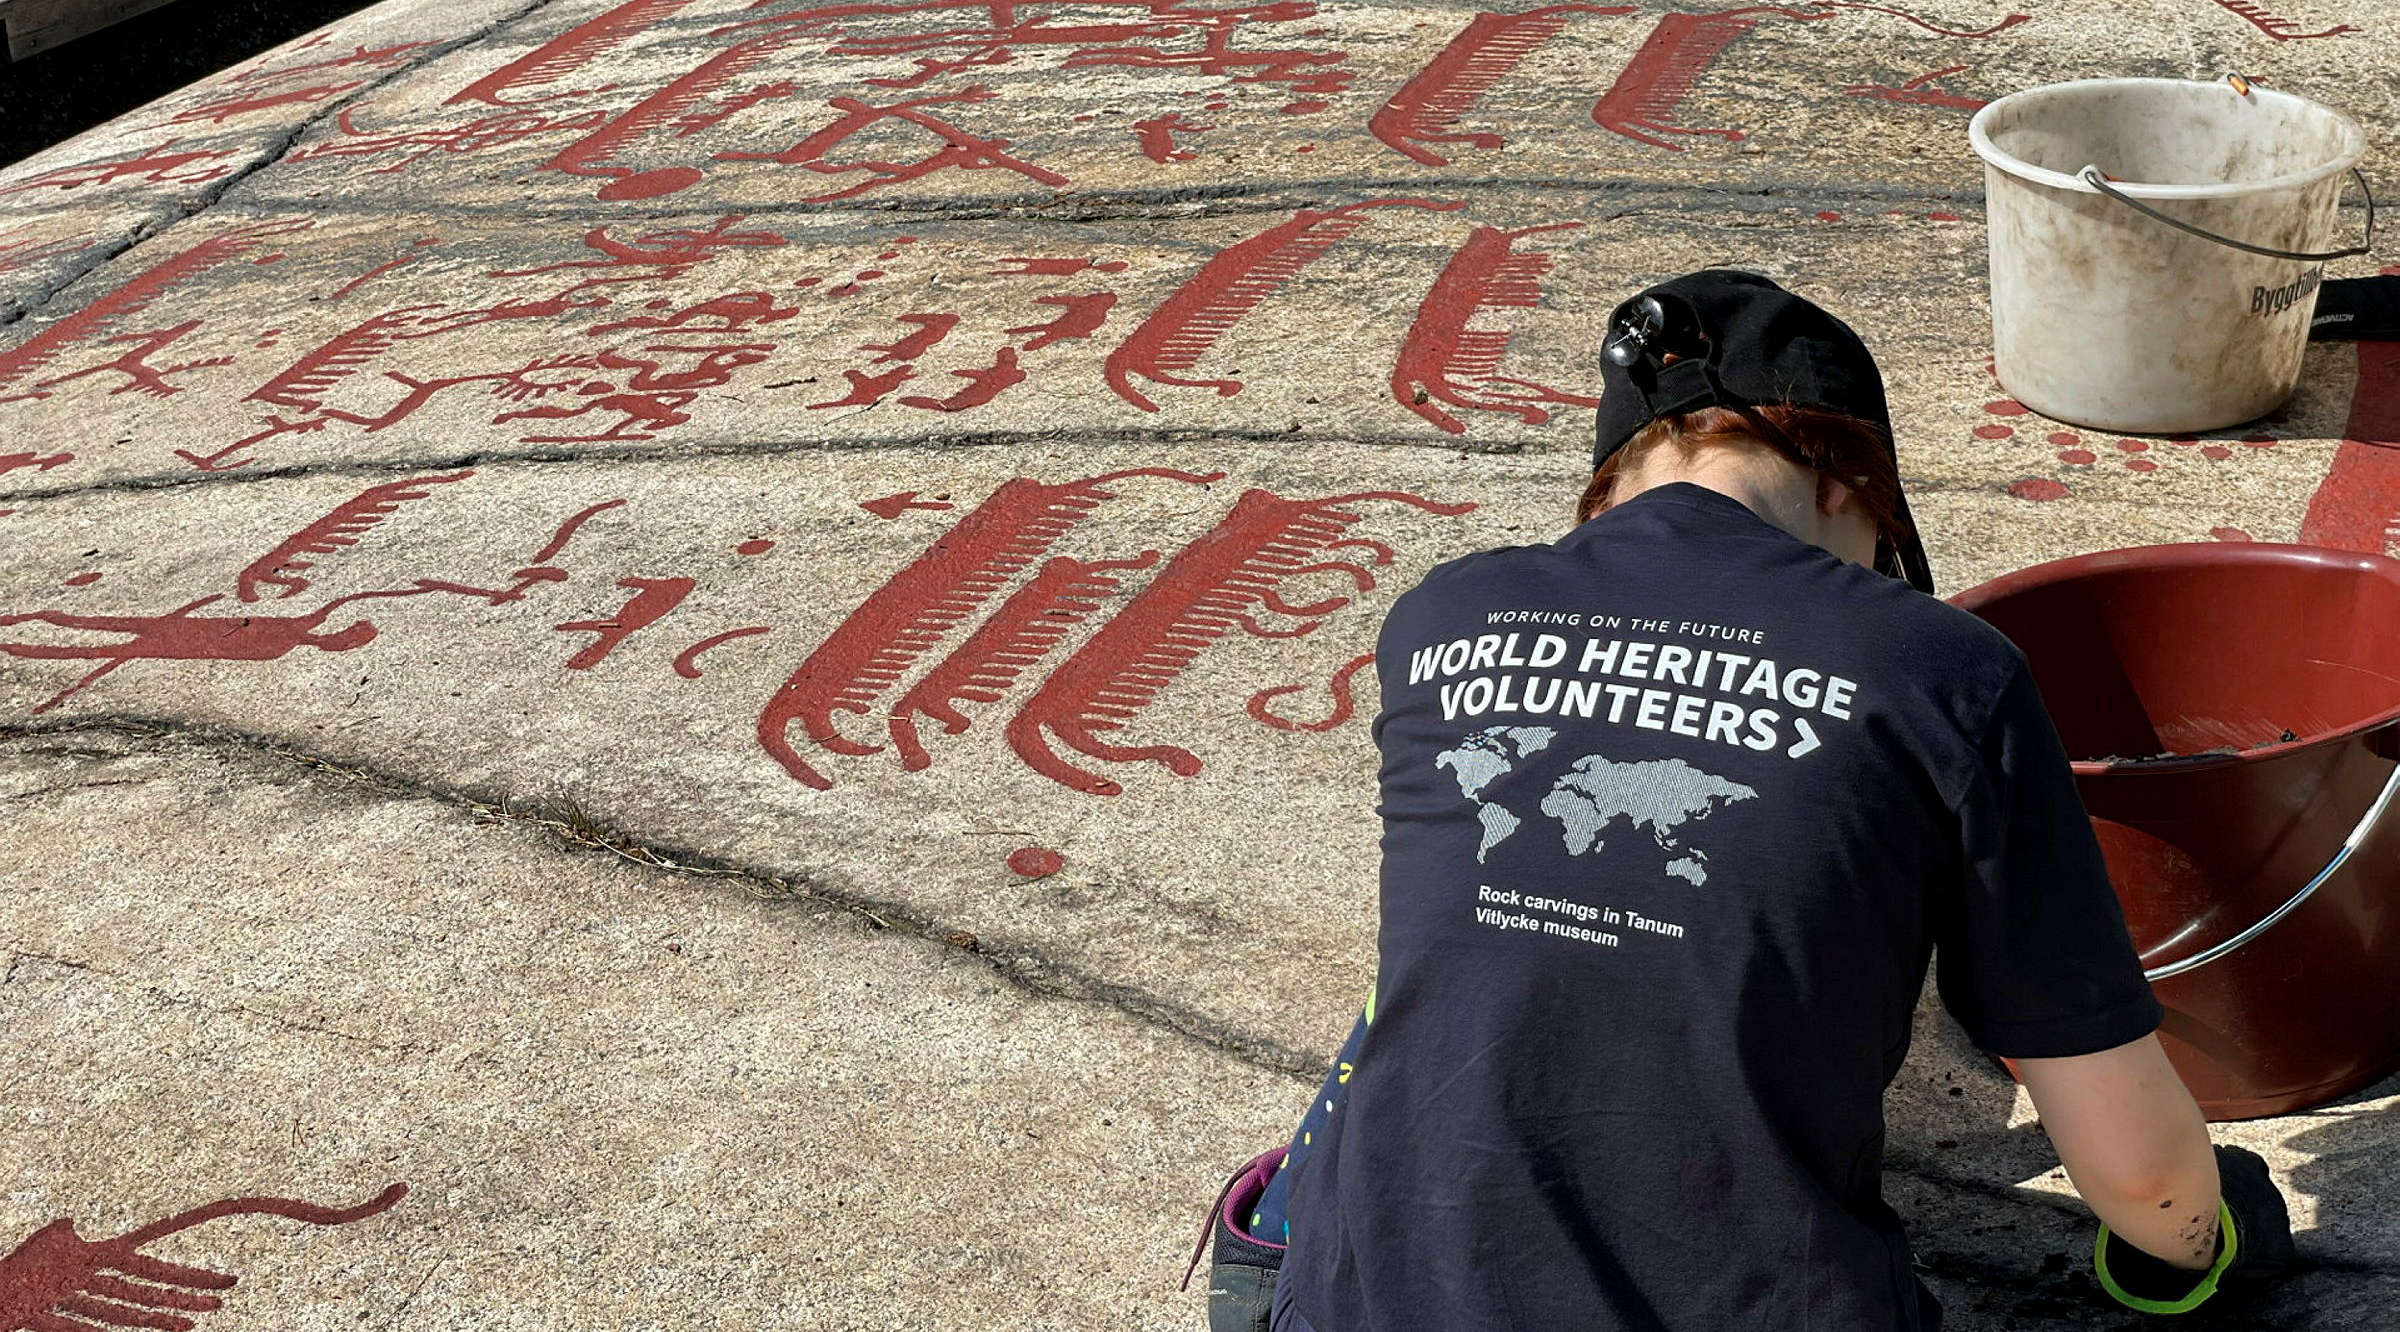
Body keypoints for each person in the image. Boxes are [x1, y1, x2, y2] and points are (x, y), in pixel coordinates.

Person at [1194, 270, 2297, 1331]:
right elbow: (2145, 1180)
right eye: (1884, 555)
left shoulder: (1443, 614)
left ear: (1612, 485)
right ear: (1846, 489)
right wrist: (2207, 1236)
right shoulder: (1942, 667)